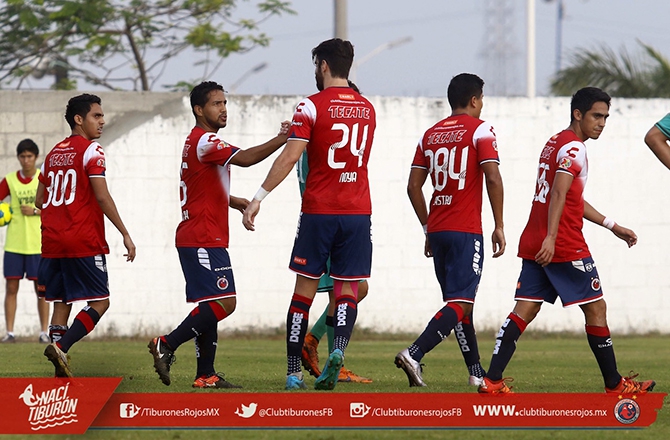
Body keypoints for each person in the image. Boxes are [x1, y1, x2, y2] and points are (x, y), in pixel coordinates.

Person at [478, 87, 655, 394]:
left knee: (525, 309)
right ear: (578, 114)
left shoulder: (554, 143)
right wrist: (552, 238)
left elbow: (570, 197)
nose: (602, 123)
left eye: (606, 117)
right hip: (562, 242)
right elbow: (559, 193)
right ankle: (615, 385)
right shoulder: (575, 148)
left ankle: (491, 380)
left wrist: (612, 225)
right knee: (596, 308)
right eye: (596, 116)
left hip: (536, 239)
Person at [243, 38, 376, 391]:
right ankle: (338, 352)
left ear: (323, 66)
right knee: (347, 290)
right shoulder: (367, 108)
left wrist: (258, 197)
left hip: (319, 210)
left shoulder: (310, 105)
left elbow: (290, 157)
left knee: (303, 293)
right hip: (357, 211)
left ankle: (293, 373)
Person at [148, 81, 289, 389]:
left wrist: (234, 201)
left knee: (211, 303)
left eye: (225, 103)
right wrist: (283, 138)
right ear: (199, 110)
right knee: (225, 303)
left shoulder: (196, 141)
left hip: (201, 235)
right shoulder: (206, 141)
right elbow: (247, 158)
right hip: (201, 237)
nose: (223, 109)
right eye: (216, 104)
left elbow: (201, 186)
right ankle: (166, 343)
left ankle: (205, 374)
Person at [395, 73, 505, 388]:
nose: (482, 105)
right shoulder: (481, 129)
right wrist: (499, 225)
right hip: (465, 229)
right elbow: (492, 177)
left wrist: (427, 227)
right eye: (481, 99)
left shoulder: (429, 135)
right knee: (461, 303)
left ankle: (476, 373)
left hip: (439, 229)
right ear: (474, 100)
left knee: (460, 306)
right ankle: (414, 353)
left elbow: (413, 187)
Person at [36, 94, 136, 377]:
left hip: (52, 240)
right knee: (100, 302)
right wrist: (125, 233)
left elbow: (39, 200)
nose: (102, 121)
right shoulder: (92, 150)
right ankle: (61, 347)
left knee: (61, 301)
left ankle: (59, 371)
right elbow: (102, 197)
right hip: (82, 238)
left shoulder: (53, 154)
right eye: (96, 116)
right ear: (79, 119)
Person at [298, 80, 372, 384]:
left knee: (353, 290)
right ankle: (324, 353)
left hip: (329, 219)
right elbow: (312, 180)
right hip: (329, 221)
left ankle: (314, 343)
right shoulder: (319, 141)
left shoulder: (316, 138)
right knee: (347, 290)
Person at [0, 139, 49, 343]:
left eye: (29, 156)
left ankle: (44, 332)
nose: (26, 160)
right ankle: (10, 333)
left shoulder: (43, 179)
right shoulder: (10, 180)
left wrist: (35, 211)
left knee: (42, 290)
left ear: (36, 157)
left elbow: (55, 208)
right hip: (14, 244)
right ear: (18, 158)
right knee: (11, 289)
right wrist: (4, 213)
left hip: (37, 245)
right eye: (22, 156)